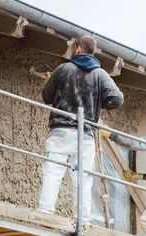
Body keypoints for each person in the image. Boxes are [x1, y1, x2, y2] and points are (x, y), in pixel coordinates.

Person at [37, 35, 124, 223]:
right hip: (86, 135)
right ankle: (82, 221)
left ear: (77, 49)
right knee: (83, 179)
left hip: (62, 130)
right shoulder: (100, 75)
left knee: (53, 171)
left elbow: (47, 97)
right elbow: (117, 99)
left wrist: (51, 82)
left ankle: (45, 213)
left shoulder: (64, 69)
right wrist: (98, 103)